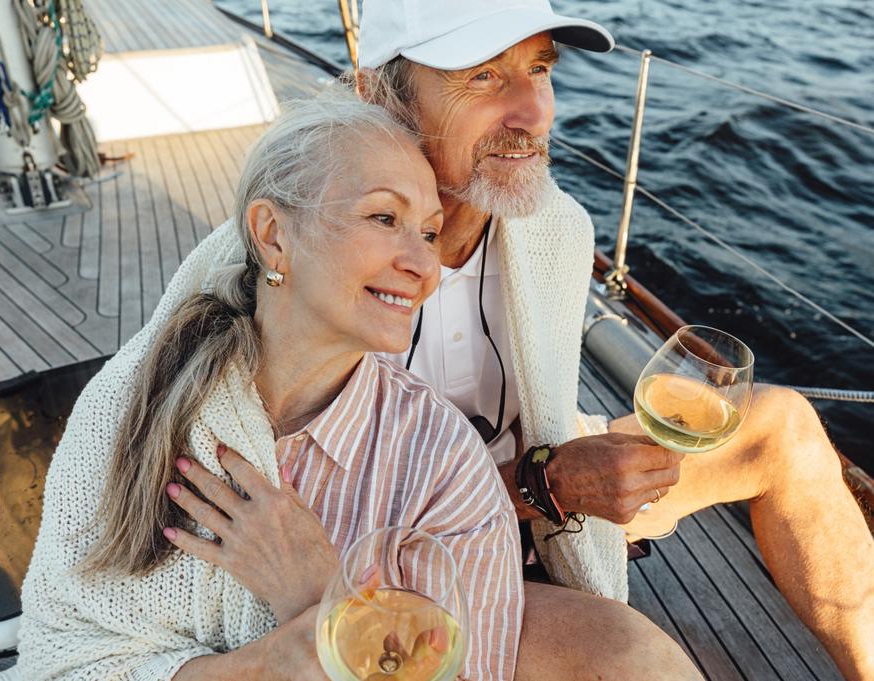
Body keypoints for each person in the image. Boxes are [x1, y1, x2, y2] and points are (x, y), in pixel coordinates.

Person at [352, 0, 874, 679]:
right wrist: (547, 483)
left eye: (540, 69)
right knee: (637, 660)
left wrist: (562, 471)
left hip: (539, 486)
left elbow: (543, 416)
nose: (534, 112)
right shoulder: (317, 256)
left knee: (781, 426)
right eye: (482, 76)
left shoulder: (554, 228)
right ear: (379, 95)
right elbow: (336, 518)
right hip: (413, 558)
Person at [10, 96, 525, 680]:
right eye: (384, 218)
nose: (424, 265)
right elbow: (60, 654)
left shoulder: (443, 463)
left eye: (430, 233)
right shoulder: (134, 398)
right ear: (273, 234)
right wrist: (260, 667)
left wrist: (322, 594)